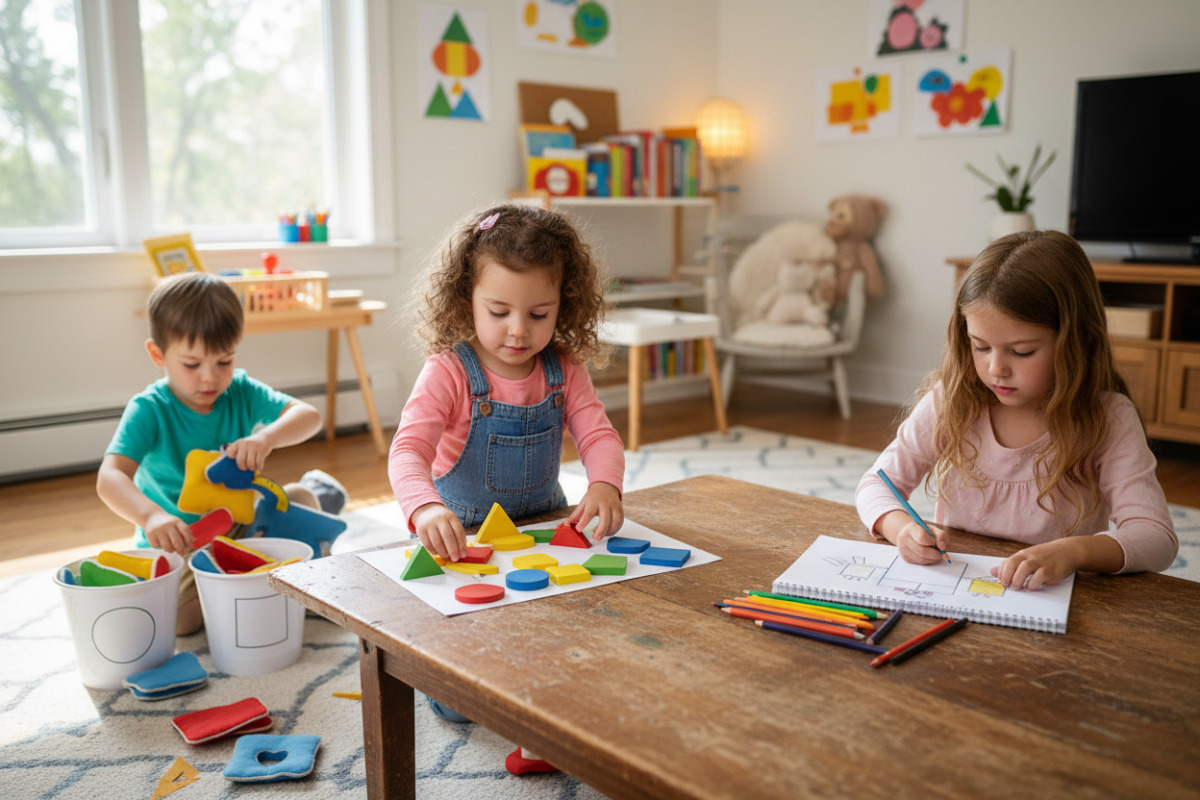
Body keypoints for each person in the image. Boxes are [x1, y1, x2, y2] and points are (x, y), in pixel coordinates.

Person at [389, 202, 626, 774]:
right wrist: (423, 510)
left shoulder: (564, 368)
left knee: (569, 633)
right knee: (459, 698)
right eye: (498, 311)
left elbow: (599, 434)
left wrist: (605, 485)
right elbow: (407, 453)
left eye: (539, 314)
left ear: (563, 307)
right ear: (463, 300)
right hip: (463, 541)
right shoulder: (448, 370)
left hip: (545, 530)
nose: (519, 330)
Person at [855, 230, 1177, 591]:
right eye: (980, 346)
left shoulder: (1108, 418)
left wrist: (1074, 552)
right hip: (959, 590)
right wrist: (901, 529)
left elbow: (1157, 538)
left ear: (1076, 339)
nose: (996, 369)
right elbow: (876, 485)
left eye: (1022, 351)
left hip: (1052, 604)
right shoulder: (954, 399)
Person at [97, 271, 347, 636]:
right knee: (183, 623)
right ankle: (260, 571)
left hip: (244, 524)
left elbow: (309, 416)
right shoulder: (149, 409)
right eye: (192, 364)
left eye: (224, 361)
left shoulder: (240, 390)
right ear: (157, 354)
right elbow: (110, 476)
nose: (210, 378)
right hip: (181, 539)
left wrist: (266, 439)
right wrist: (151, 517)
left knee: (300, 498)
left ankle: (315, 497)